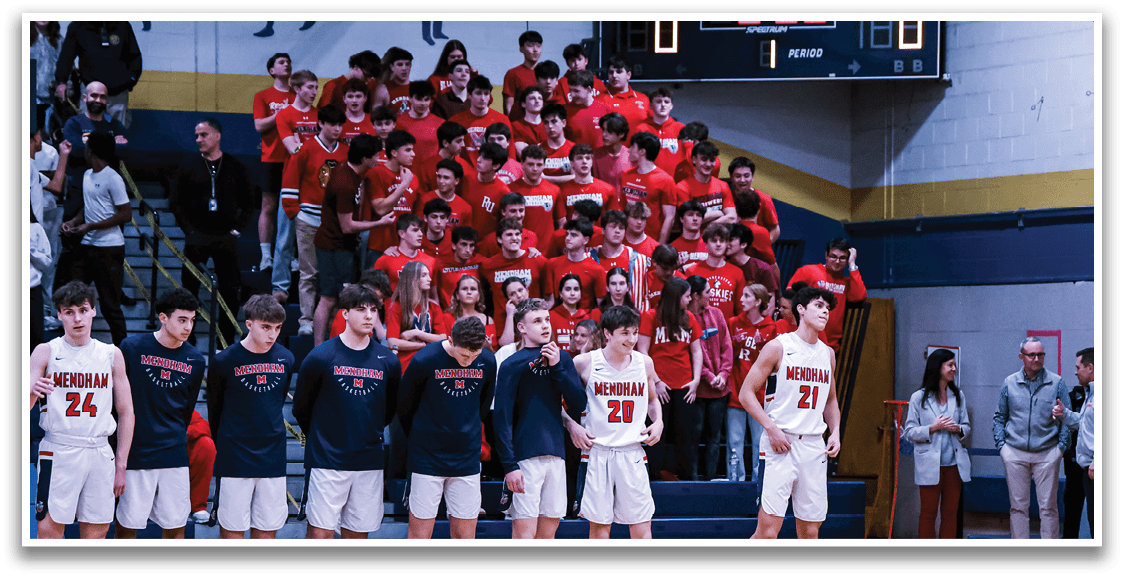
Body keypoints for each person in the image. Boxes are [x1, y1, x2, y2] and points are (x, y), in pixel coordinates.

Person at [292, 284, 401, 539]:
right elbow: (301, 408)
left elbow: (389, 411)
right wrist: (323, 435)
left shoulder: (388, 361)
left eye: (373, 310)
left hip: (368, 462)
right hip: (327, 460)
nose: (368, 316)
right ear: (344, 314)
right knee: (320, 535)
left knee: (357, 536)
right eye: (361, 309)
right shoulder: (321, 356)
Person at [30, 281, 135, 539]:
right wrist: (32, 391)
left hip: (100, 451)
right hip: (59, 449)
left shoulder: (111, 354)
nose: (77, 318)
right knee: (49, 530)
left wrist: (121, 463)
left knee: (97, 532)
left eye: (83, 309)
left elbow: (126, 411)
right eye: (69, 311)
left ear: (93, 311)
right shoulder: (45, 352)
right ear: (58, 315)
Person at [739, 286, 842, 539]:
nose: (825, 311)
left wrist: (836, 431)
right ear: (801, 309)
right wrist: (771, 428)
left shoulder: (828, 354)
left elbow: (830, 400)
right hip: (780, 444)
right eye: (818, 305)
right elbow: (746, 394)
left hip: (813, 446)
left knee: (810, 530)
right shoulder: (778, 347)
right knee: (768, 532)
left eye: (828, 308)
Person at [114, 288, 207, 539]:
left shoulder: (195, 360)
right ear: (163, 318)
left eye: (192, 320)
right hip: (137, 452)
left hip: (173, 453)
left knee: (176, 525)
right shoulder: (131, 348)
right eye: (182, 320)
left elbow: (186, 410)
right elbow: (118, 403)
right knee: (127, 524)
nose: (188, 327)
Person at [566, 306, 664, 538]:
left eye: (635, 332)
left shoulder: (644, 363)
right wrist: (572, 425)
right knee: (600, 529)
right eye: (625, 333)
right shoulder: (583, 362)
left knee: (641, 526)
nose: (632, 339)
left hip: (632, 452)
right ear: (607, 334)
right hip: (597, 452)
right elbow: (556, 402)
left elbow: (652, 400)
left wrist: (659, 421)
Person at [398, 317, 498, 539]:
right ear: (451, 340)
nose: (470, 360)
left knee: (465, 536)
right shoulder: (425, 360)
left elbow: (482, 407)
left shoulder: (488, 361)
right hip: (426, 458)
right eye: (464, 354)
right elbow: (404, 407)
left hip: (467, 459)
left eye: (475, 355)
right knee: (419, 536)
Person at [494, 299, 587, 539]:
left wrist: (557, 367)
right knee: (524, 535)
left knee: (548, 535)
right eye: (537, 321)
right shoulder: (510, 364)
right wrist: (509, 466)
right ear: (522, 328)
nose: (546, 326)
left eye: (547, 320)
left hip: (557, 456)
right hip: (525, 459)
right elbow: (501, 419)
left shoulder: (563, 359)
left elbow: (579, 405)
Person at [206, 294, 295, 539]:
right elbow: (215, 408)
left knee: (267, 532)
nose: (272, 334)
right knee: (232, 532)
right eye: (266, 327)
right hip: (235, 456)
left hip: (273, 457)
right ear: (249, 324)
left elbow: (276, 401)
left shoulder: (286, 358)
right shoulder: (224, 361)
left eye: (277, 328)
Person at [171, 118, 254, 349]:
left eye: (204, 135)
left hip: (225, 237)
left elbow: (249, 201)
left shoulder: (235, 166)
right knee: (188, 290)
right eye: (196, 135)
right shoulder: (189, 165)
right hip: (197, 236)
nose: (199, 140)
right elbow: (176, 202)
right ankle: (185, 337)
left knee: (229, 289)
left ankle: (225, 340)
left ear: (217, 136)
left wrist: (237, 229)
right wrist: (188, 230)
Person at [992, 336, 1071, 540]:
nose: (1037, 358)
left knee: (1048, 508)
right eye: (1032, 354)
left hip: (1047, 454)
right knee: (1018, 508)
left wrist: (1060, 449)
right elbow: (999, 417)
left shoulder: (1057, 383)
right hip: (1015, 453)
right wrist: (1003, 448)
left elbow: (1067, 418)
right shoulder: (1010, 383)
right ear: (1022, 357)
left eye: (1041, 354)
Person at [312, 133, 387, 345]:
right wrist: (378, 223)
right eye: (376, 155)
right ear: (365, 159)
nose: (379, 158)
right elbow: (347, 226)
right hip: (333, 246)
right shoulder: (344, 183)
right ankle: (318, 348)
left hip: (343, 247)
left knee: (338, 299)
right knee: (328, 298)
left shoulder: (353, 173)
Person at [280, 105, 348, 336]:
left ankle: (333, 322)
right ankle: (306, 320)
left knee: (336, 274)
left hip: (336, 224)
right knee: (309, 273)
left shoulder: (346, 153)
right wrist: (294, 211)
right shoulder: (305, 149)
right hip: (309, 218)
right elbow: (290, 181)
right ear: (320, 124)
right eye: (332, 124)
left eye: (340, 124)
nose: (337, 129)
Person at [59, 131, 130, 346]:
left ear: (92, 151)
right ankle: (71, 344)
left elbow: (126, 214)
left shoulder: (113, 178)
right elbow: (89, 208)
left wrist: (91, 226)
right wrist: (74, 222)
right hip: (87, 246)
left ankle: (123, 353)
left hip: (110, 249)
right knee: (73, 297)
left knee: (110, 306)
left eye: (87, 147)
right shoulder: (88, 175)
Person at [638, 276, 703, 481]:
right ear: (676, 297)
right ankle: (654, 478)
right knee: (658, 434)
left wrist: (696, 381)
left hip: (684, 385)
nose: (689, 299)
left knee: (685, 435)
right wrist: (656, 381)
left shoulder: (689, 318)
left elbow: (697, 351)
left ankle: (686, 480)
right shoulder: (650, 316)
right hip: (657, 386)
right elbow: (642, 352)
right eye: (686, 296)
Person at [903, 348, 971, 539]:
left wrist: (957, 428)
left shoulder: (958, 396)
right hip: (929, 465)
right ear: (937, 367)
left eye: (954, 364)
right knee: (928, 514)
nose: (954, 369)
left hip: (954, 466)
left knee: (950, 515)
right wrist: (932, 427)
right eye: (950, 365)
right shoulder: (918, 397)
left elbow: (966, 426)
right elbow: (909, 432)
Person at [270, 69, 320, 304]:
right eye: (310, 87)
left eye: (316, 87)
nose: (314, 92)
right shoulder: (285, 115)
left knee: (313, 239)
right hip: (292, 183)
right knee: (285, 237)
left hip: (316, 184)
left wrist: (306, 147)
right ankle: (279, 286)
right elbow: (293, 149)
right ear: (297, 89)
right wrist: (311, 149)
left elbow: (315, 150)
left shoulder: (320, 115)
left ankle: (311, 288)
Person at [726, 283, 777, 482]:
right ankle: (734, 484)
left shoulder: (771, 327)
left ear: (757, 301)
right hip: (736, 393)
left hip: (761, 396)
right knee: (734, 443)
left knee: (759, 443)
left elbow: (773, 366)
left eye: (747, 296)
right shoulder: (733, 323)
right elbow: (728, 356)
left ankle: (758, 484)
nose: (741, 299)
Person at [685, 275, 733, 481]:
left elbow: (727, 346)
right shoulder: (684, 318)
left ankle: (712, 478)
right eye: (707, 292)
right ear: (696, 296)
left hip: (719, 389)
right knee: (693, 436)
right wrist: (707, 375)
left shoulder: (717, 314)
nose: (711, 296)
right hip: (696, 389)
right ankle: (693, 478)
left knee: (715, 438)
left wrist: (723, 374)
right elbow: (687, 354)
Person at [54, 21, 142, 129]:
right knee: (88, 135)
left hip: (117, 94)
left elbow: (134, 57)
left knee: (117, 136)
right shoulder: (77, 26)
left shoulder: (122, 25)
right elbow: (66, 57)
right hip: (90, 91)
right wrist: (61, 81)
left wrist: (130, 81)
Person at [787, 238, 867, 353]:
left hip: (831, 345)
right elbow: (789, 299)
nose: (837, 261)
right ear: (826, 255)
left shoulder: (846, 282)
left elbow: (860, 296)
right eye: (833, 256)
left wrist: (852, 264)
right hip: (803, 340)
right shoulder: (808, 271)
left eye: (843, 258)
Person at [252, 53, 293, 271]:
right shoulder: (263, 96)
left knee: (292, 209)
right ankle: (266, 256)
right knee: (269, 206)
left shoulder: (299, 96)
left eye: (289, 62)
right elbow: (259, 125)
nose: (286, 64)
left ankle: (289, 255)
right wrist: (283, 114)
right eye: (281, 62)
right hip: (271, 158)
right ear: (272, 70)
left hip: (294, 159)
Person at [481, 217, 552, 339]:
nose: (515, 238)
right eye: (509, 234)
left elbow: (549, 298)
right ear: (499, 239)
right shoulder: (488, 266)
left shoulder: (538, 261)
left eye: (518, 234)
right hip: (503, 330)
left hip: (533, 331)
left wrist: (539, 317)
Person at [1056, 347, 1094, 538]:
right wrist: (1065, 414)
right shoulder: (1090, 394)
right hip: (1084, 469)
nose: (1075, 371)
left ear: (1091, 368)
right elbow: (1083, 422)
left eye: (1078, 367)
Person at [386, 261, 448, 372]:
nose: (429, 279)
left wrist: (416, 333)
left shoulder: (433, 306)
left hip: (430, 363)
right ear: (412, 279)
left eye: (429, 275)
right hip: (405, 366)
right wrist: (422, 345)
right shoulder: (396, 306)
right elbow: (392, 343)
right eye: (424, 275)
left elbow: (442, 339)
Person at [620, 131, 678, 243]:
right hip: (625, 241)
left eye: (632, 146)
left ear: (642, 151)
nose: (629, 149)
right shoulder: (625, 175)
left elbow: (669, 217)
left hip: (651, 241)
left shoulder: (666, 180)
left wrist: (659, 247)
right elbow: (623, 209)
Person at [683, 223, 748, 320]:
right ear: (706, 244)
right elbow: (685, 305)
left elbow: (741, 308)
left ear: (727, 244)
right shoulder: (692, 271)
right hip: (698, 329)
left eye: (722, 241)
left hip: (726, 331)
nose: (718, 244)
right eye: (714, 240)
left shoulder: (737, 272)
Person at [546, 218, 608, 311]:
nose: (567, 238)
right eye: (567, 234)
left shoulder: (597, 270)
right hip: (559, 320)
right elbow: (550, 301)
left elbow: (601, 307)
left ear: (586, 240)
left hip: (586, 321)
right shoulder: (552, 264)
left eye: (574, 235)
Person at [591, 210, 648, 307]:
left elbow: (644, 297)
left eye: (621, 228)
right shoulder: (590, 259)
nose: (617, 231)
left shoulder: (639, 260)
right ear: (603, 230)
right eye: (613, 227)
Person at [451, 75, 512, 166]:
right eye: (478, 93)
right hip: (464, 172)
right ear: (469, 95)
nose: (482, 98)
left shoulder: (502, 119)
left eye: (486, 93)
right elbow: (450, 151)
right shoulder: (456, 120)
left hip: (494, 171)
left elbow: (510, 151)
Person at [509, 146, 562, 250]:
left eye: (539, 165)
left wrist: (556, 245)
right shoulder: (510, 190)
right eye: (530, 164)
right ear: (522, 164)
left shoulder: (554, 190)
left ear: (544, 166)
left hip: (548, 251)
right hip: (520, 251)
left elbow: (561, 222)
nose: (535, 168)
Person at [674, 141, 736, 227]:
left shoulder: (723, 185)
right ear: (694, 160)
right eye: (704, 159)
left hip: (720, 238)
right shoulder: (682, 187)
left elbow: (732, 218)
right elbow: (688, 221)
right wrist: (717, 213)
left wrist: (710, 225)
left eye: (712, 160)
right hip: (695, 239)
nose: (708, 164)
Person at [373, 214, 437, 294]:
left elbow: (434, 297)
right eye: (415, 230)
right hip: (393, 305)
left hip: (422, 306)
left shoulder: (430, 261)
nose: (420, 234)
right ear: (402, 234)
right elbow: (375, 295)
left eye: (421, 230)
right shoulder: (384, 261)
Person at [556, 143, 618, 224]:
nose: (584, 161)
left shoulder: (608, 189)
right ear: (572, 163)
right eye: (579, 158)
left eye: (588, 158)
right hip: (574, 234)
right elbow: (561, 224)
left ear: (592, 162)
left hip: (599, 235)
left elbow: (613, 221)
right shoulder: (562, 191)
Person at [461, 142, 511, 240]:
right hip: (462, 241)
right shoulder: (465, 179)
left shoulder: (503, 191)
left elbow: (504, 223)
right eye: (480, 155)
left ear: (496, 165)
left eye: (484, 158)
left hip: (485, 246)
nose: (478, 160)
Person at [727, 223, 780, 313]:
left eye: (730, 240)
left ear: (743, 244)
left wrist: (761, 324)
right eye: (725, 240)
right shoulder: (723, 266)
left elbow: (769, 302)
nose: (726, 244)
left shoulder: (762, 268)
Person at [327, 269, 391, 343]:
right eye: (379, 297)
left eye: (383, 298)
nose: (382, 302)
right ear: (367, 290)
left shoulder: (369, 311)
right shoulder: (348, 314)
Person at [728, 156, 781, 244]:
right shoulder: (726, 197)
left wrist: (761, 246)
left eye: (746, 176)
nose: (742, 180)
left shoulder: (763, 198)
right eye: (738, 176)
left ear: (752, 177)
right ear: (731, 177)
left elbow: (775, 229)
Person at [634, 87, 685, 175]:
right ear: (651, 106)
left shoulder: (680, 128)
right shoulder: (642, 129)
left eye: (666, 102)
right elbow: (635, 158)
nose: (663, 105)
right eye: (658, 101)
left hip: (676, 182)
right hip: (649, 181)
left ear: (671, 106)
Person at [414, 121, 474, 197]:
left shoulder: (464, 165)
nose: (463, 145)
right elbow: (421, 196)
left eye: (463, 140)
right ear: (445, 143)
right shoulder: (426, 168)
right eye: (458, 141)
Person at [440, 274, 497, 351]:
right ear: (457, 295)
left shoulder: (487, 320)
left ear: (478, 296)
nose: (469, 292)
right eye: (464, 288)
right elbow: (443, 347)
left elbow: (495, 353)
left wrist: (489, 348)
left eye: (473, 289)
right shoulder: (446, 318)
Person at [416, 157, 473, 232]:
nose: (441, 181)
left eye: (446, 178)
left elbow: (465, 237)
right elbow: (418, 229)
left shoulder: (465, 208)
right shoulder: (426, 199)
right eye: (439, 177)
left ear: (456, 181)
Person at [434, 226, 485, 309]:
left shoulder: (480, 262)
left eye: (471, 245)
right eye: (464, 244)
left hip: (474, 315)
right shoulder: (439, 264)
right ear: (454, 245)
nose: (468, 250)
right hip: (448, 315)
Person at [476, 192, 540, 258]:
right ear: (503, 212)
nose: (518, 215)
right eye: (513, 211)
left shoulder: (532, 237)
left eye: (521, 210)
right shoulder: (490, 241)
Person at [590, 112, 634, 204]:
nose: (604, 135)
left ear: (621, 134)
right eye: (603, 130)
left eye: (609, 131)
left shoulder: (632, 156)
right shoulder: (594, 155)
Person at [395, 81, 443, 162]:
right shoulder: (399, 123)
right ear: (410, 98)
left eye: (426, 99)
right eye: (419, 99)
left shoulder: (440, 123)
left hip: (432, 171)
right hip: (408, 171)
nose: (423, 103)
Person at [549, 274, 601, 347]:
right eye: (568, 289)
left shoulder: (588, 317)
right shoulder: (550, 316)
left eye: (576, 289)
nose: (572, 293)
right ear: (560, 293)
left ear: (580, 293)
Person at [503, 31, 543, 118]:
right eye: (530, 45)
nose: (535, 50)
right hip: (520, 125)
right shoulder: (513, 73)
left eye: (538, 46)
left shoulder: (547, 72)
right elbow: (509, 105)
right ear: (521, 49)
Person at [185, 410, 215, 525]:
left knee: (205, 445)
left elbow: (205, 426)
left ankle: (197, 506)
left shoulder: (175, 400)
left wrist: (184, 432)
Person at [30, 205, 52, 347]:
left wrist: (31, 251)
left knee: (35, 339)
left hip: (31, 291)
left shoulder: (35, 228)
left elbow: (46, 262)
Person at [642, 243, 686, 311]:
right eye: (665, 268)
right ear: (654, 262)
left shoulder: (683, 281)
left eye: (672, 268)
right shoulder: (645, 281)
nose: (669, 272)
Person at [339, 78, 378, 145]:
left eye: (358, 96)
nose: (354, 100)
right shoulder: (337, 122)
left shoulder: (374, 121)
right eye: (350, 96)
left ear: (365, 98)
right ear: (344, 99)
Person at [670, 200, 708, 269]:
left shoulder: (710, 245)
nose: (695, 218)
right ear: (681, 219)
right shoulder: (673, 248)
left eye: (698, 215)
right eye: (690, 214)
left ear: (702, 220)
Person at [512, 86, 548, 155]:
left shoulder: (550, 125)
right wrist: (544, 146)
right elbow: (524, 155)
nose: (537, 101)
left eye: (540, 98)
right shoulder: (515, 126)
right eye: (532, 98)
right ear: (523, 104)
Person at [496, 277, 531, 348]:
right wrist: (510, 315)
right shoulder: (504, 316)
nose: (519, 295)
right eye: (512, 294)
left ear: (527, 290)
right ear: (508, 299)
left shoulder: (540, 310)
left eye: (520, 290)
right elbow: (505, 345)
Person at [380, 47, 415, 116]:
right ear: (392, 67)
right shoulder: (383, 89)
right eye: (400, 65)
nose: (404, 68)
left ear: (410, 66)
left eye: (407, 64)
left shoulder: (417, 88)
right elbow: (376, 116)